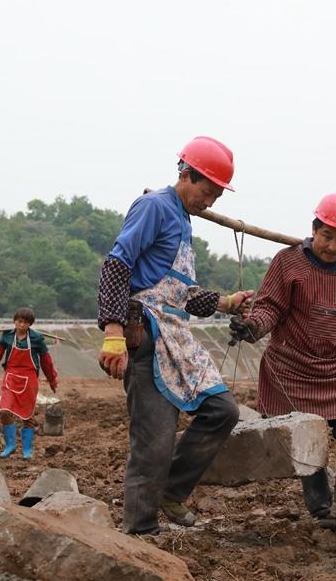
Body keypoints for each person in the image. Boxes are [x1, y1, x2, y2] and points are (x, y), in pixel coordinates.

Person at [96, 136, 254, 536]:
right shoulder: (154, 207)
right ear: (186, 175)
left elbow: (182, 294)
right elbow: (116, 265)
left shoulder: (183, 222)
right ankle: (140, 530)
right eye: (207, 192)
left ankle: (170, 490)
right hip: (146, 332)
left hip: (176, 333)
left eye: (217, 196)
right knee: (153, 442)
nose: (210, 202)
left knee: (222, 411)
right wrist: (113, 331)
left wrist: (227, 302)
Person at [229, 191, 336, 527]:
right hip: (293, 366)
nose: (332, 247)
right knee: (306, 433)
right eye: (327, 236)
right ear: (314, 229)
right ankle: (320, 509)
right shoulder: (287, 262)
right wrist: (252, 326)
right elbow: (270, 307)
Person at [0, 307, 59, 459]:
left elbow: (47, 362)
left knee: (28, 416)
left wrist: (53, 380)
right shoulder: (7, 337)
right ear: (15, 321)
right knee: (4, 410)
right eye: (19, 321)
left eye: (25, 323)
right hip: (10, 378)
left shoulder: (36, 340)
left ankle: (27, 450)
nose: (21, 325)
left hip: (29, 381)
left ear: (30, 324)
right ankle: (10, 445)